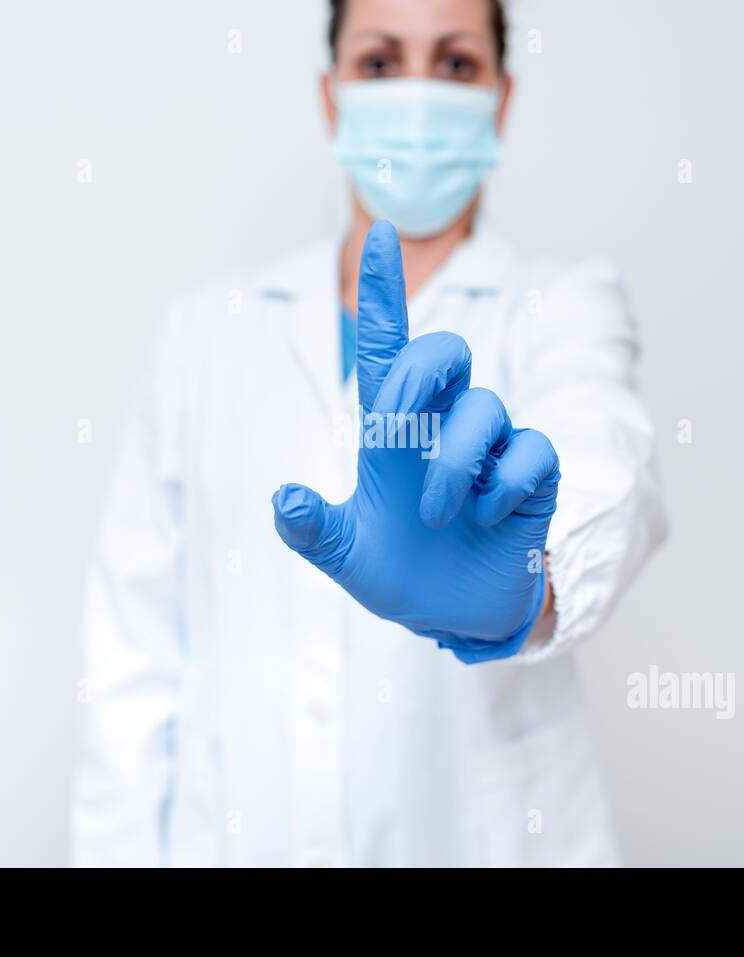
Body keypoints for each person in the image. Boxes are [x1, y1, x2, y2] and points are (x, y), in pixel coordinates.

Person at [73, 0, 667, 867]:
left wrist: (527, 586)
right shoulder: (206, 333)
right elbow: (131, 659)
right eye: (382, 63)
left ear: (502, 98)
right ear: (331, 96)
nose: (419, 95)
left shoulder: (563, 303)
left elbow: (607, 462)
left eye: (457, 64)